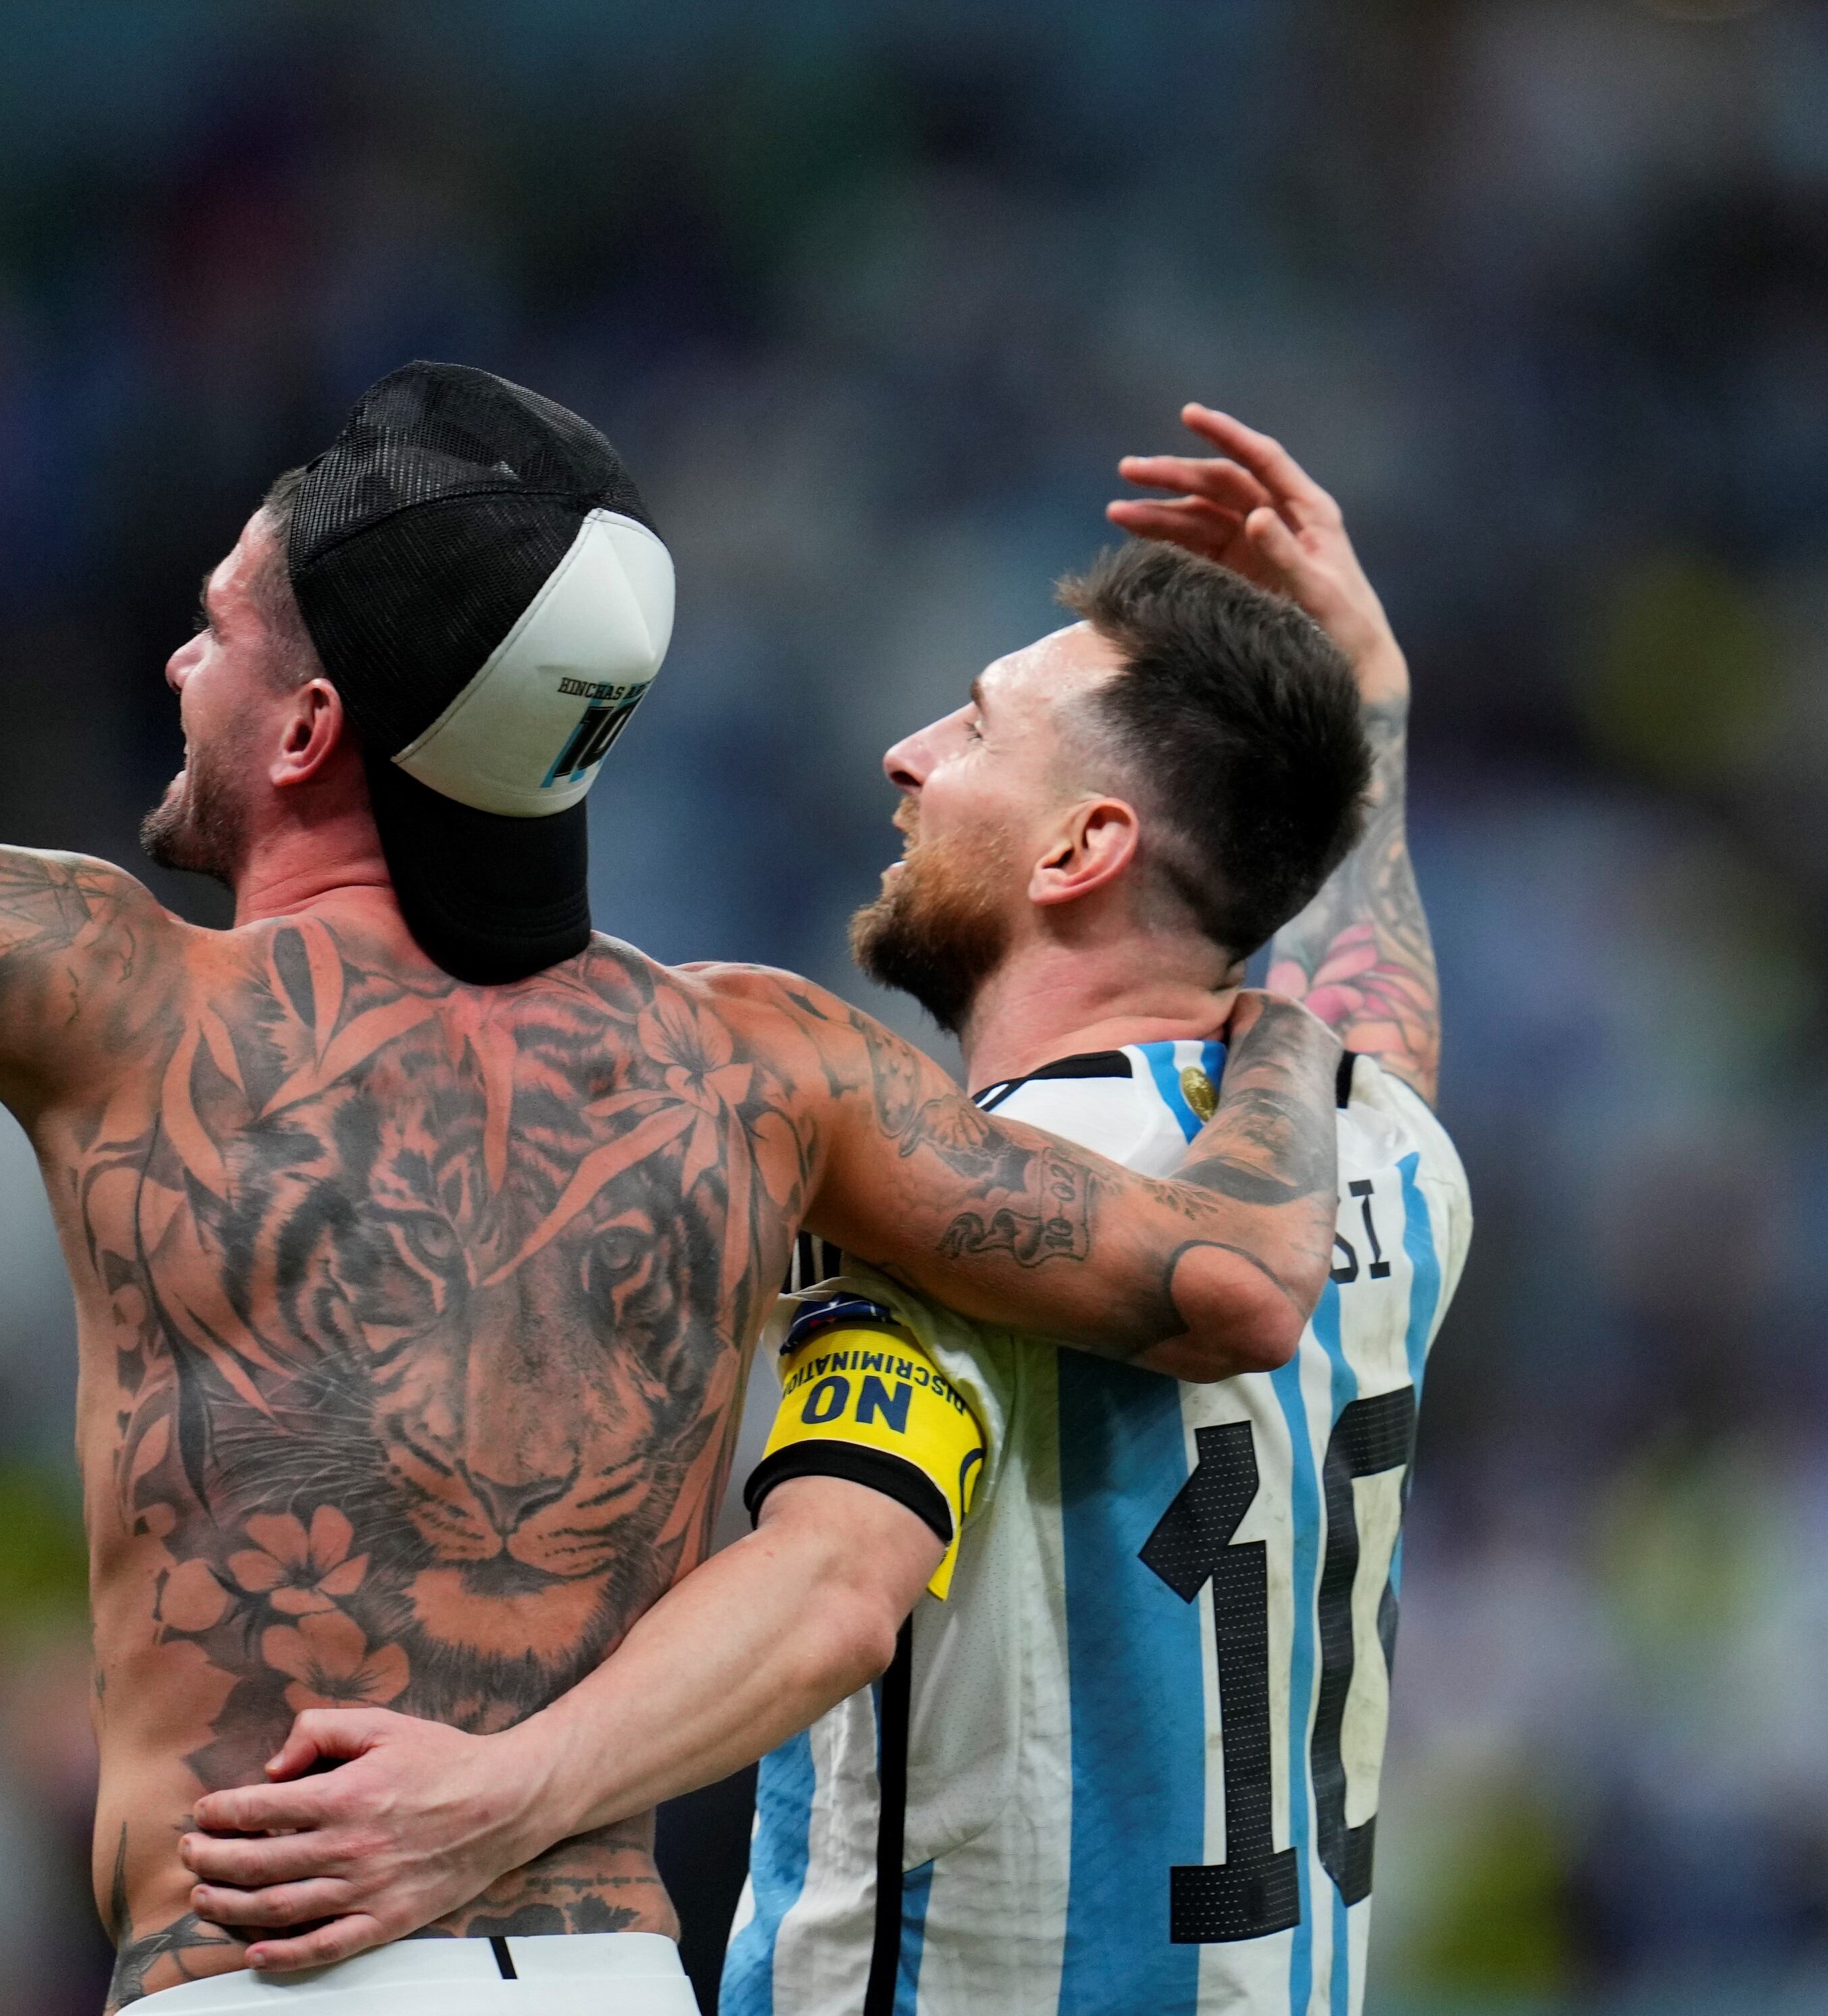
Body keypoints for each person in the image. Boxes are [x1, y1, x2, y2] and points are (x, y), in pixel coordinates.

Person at [0, 44, 1370, 2012]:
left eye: (223, 622)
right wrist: (1294, 1032)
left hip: (263, 1972)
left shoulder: (120, 998)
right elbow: (1233, 1273)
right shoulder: (762, 1072)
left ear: (308, 738)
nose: (181, 651)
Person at [173, 409, 1467, 2016]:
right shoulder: (1382, 1148)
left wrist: (495, 1800)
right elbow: (1368, 982)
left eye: (980, 730)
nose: (909, 754)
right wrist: (1372, 694)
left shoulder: (980, 1208)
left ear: (1085, 845)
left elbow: (839, 1584)